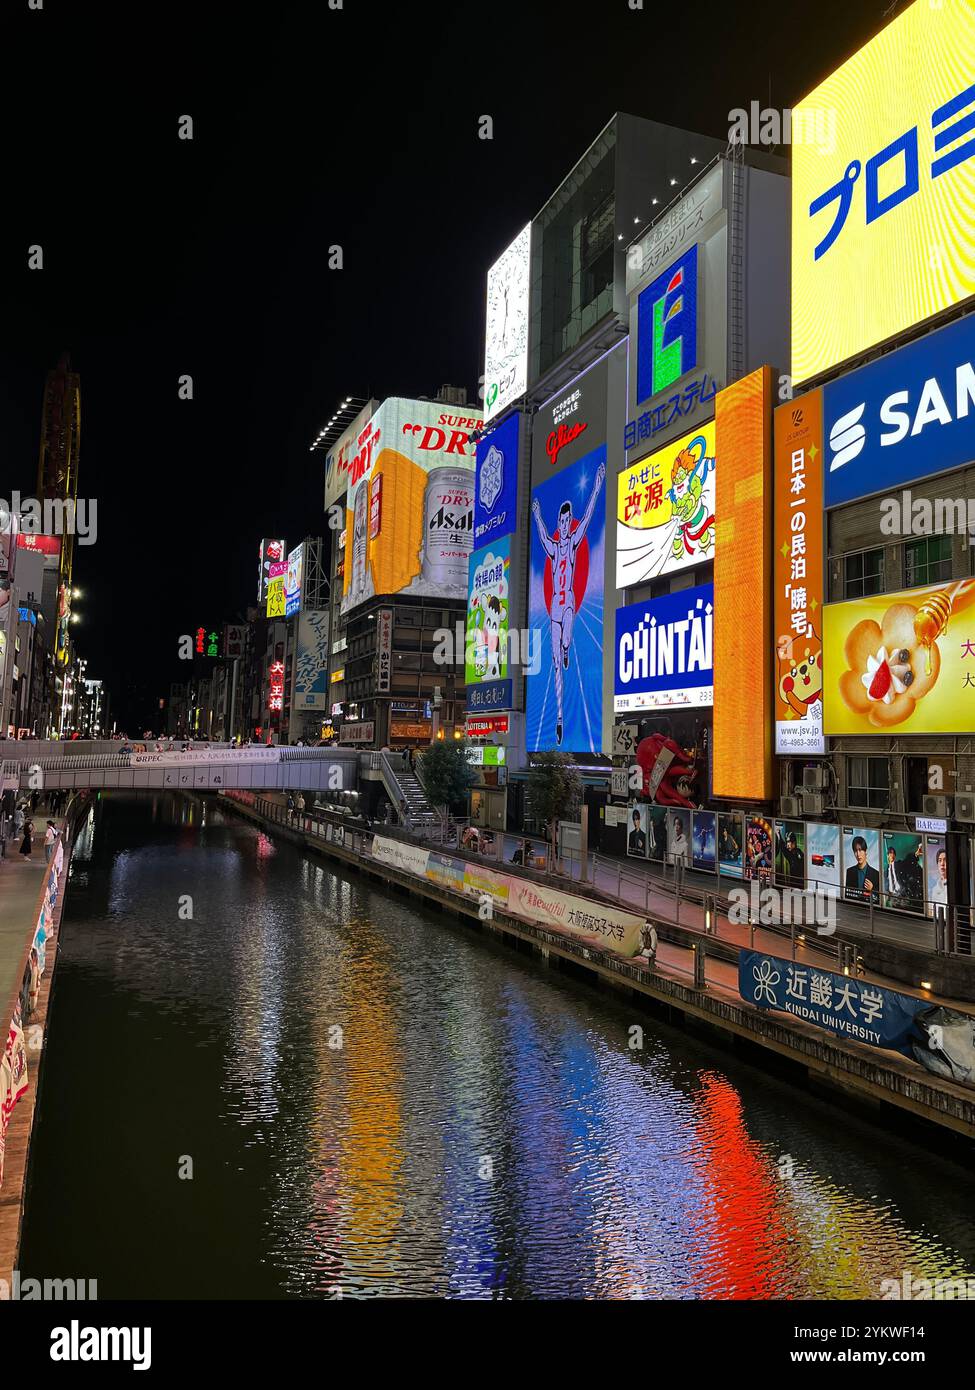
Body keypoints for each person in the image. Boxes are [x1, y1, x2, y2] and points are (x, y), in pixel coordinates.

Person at [530, 459, 605, 745]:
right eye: (560, 521)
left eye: (566, 520)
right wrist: (537, 514)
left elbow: (586, 519)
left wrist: (597, 487)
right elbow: (540, 534)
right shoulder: (552, 546)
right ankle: (560, 717)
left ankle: (566, 648)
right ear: (557, 523)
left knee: (565, 642)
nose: (563, 524)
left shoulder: (572, 543)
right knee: (554, 663)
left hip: (569, 604)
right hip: (554, 612)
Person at [844, 835, 879, 903]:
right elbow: (847, 895)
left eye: (860, 850)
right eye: (855, 851)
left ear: (866, 851)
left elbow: (878, 900)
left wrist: (872, 890)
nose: (858, 854)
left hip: (869, 909)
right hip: (853, 908)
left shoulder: (876, 874)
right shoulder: (850, 871)